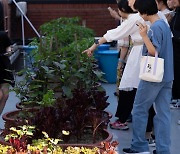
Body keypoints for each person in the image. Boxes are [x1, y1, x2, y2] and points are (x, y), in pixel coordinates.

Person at [83, 0, 144, 131]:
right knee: (131, 87)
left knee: (127, 86)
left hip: (139, 55)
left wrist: (93, 46)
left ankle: (123, 119)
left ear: (122, 9)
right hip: (139, 53)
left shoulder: (134, 18)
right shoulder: (138, 17)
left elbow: (114, 34)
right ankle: (127, 117)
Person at [122, 0, 174, 153]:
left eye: (139, 11)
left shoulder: (154, 28)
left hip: (152, 76)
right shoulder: (164, 24)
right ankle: (163, 149)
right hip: (166, 75)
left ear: (144, 12)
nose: (139, 15)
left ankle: (138, 145)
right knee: (163, 113)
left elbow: (153, 51)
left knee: (139, 109)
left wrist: (143, 35)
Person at [0, 31, 14, 116]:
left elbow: (8, 46)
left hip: (4, 67)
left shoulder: (2, 34)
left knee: (5, 95)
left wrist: (9, 51)